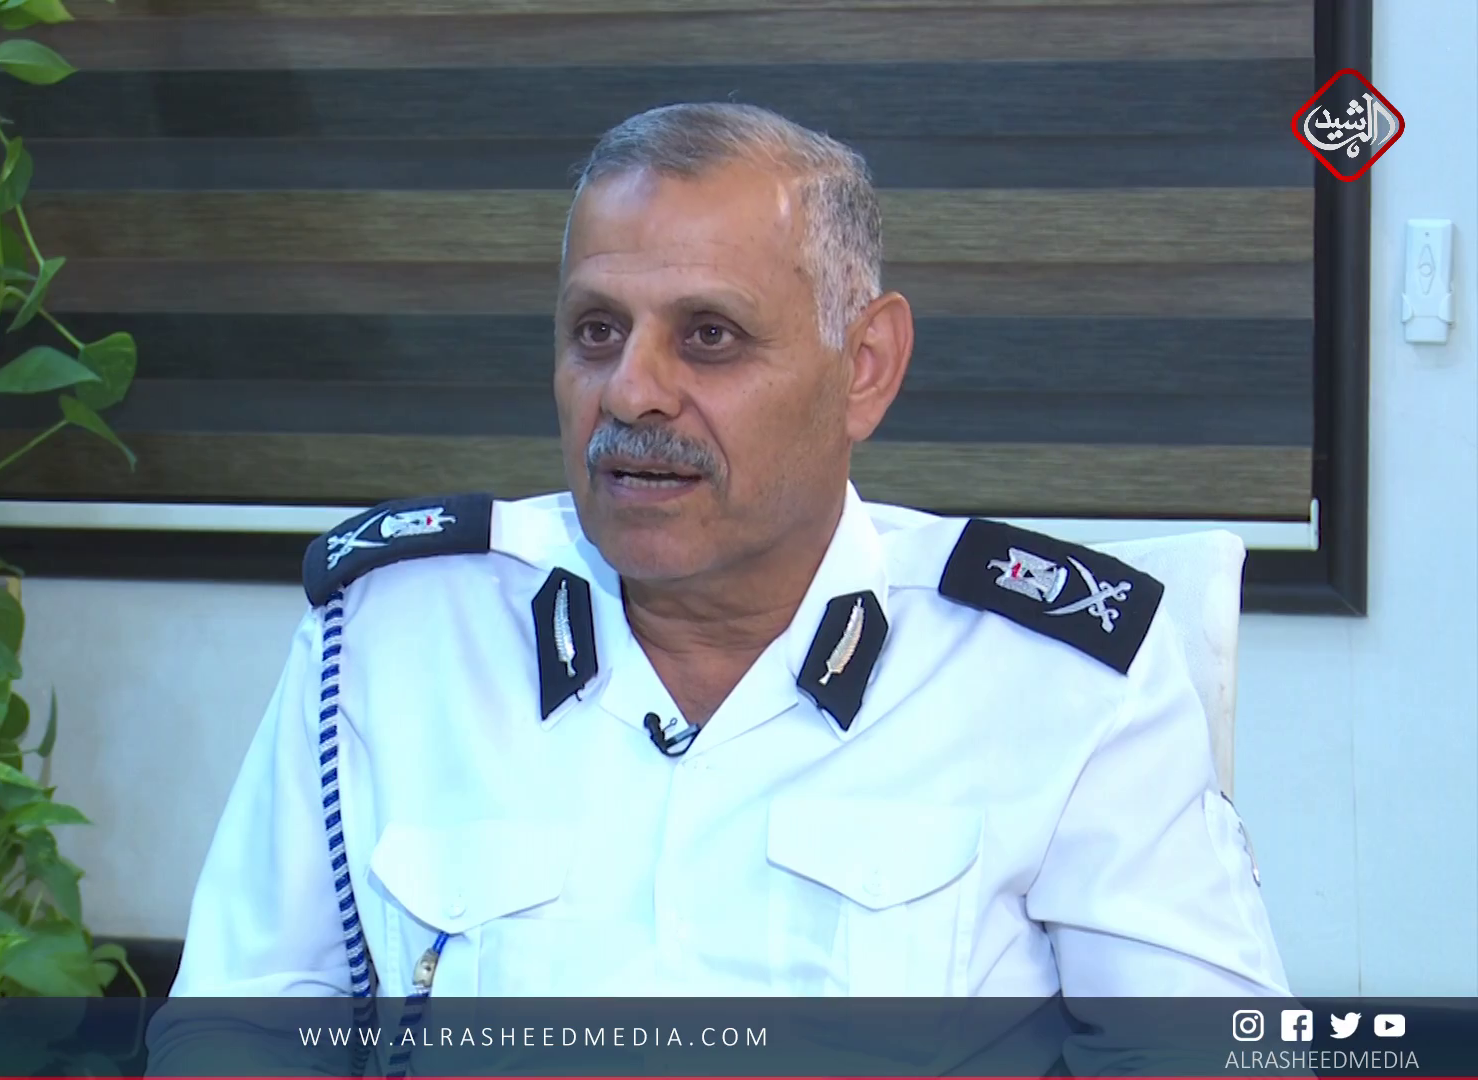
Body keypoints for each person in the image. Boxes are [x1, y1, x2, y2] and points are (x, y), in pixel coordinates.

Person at [154, 103, 1289, 1003]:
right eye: (597, 330)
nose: (631, 392)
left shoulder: (1056, 682)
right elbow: (245, 1027)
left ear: (865, 367)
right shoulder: (390, 639)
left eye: (710, 336)